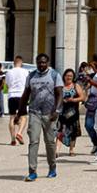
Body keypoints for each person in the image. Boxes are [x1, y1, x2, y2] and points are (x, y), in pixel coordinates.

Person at [21, 54, 60, 182]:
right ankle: (32, 171)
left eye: (44, 62)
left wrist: (57, 110)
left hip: (50, 113)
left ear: (48, 62)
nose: (41, 65)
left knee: (50, 142)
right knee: (33, 141)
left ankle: (52, 167)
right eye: (39, 63)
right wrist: (19, 112)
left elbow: (60, 93)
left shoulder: (54, 75)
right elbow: (26, 94)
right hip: (34, 112)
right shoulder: (31, 76)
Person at [56, 68, 83, 154]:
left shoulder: (76, 86)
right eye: (67, 75)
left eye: (71, 76)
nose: (69, 77)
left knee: (73, 132)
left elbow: (82, 97)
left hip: (73, 113)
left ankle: (71, 149)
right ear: (64, 76)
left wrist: (73, 100)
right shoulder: (60, 86)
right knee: (60, 131)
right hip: (62, 113)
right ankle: (57, 151)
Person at [4, 58, 28, 142]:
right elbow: (28, 84)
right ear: (21, 62)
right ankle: (20, 133)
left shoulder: (8, 72)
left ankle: (12, 139)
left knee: (12, 117)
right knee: (23, 117)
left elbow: (6, 85)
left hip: (11, 95)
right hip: (21, 95)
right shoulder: (25, 71)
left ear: (14, 63)